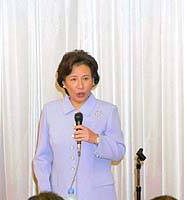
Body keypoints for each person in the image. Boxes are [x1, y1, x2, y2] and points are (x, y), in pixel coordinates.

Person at [33, 49, 125, 200]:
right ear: (63, 82)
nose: (80, 86)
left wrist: (95, 138)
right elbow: (42, 158)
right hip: (59, 194)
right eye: (73, 79)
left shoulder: (108, 111)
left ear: (93, 80)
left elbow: (119, 152)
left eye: (85, 78)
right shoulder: (50, 111)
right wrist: (46, 194)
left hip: (98, 195)